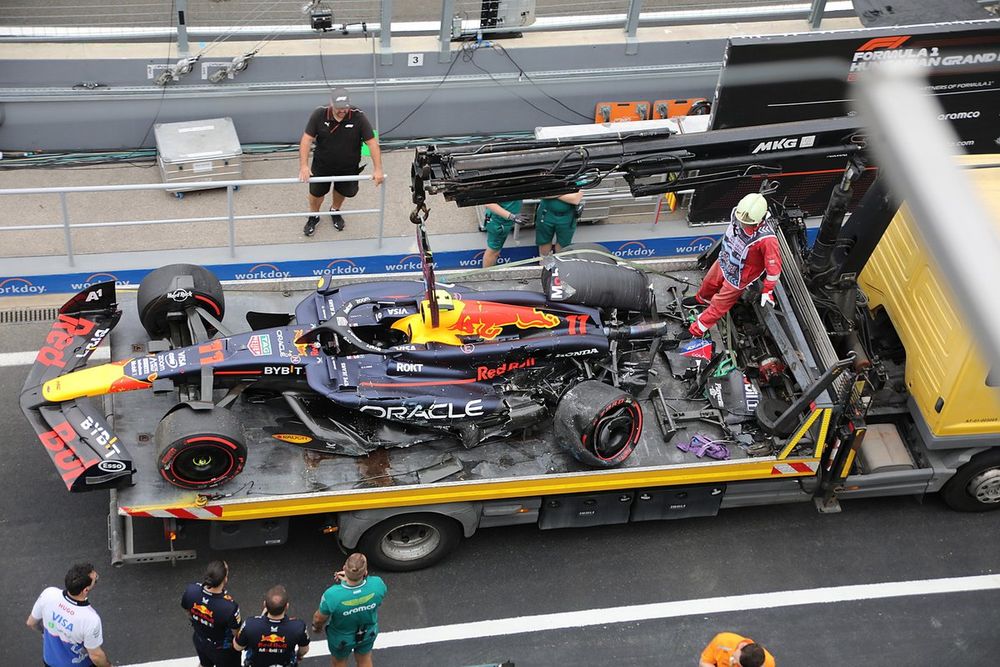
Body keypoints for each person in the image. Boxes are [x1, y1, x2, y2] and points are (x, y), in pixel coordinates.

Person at [682, 192, 782, 339]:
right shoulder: (738, 214)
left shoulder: (767, 240)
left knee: (719, 305)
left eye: (747, 223)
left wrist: (767, 290)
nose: (743, 224)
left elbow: (774, 268)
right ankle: (701, 299)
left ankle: (695, 330)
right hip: (724, 261)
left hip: (739, 277)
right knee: (709, 282)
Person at [298, 88, 384, 237]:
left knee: (345, 191)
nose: (342, 111)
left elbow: (372, 143)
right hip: (322, 165)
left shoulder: (359, 116)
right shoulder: (319, 114)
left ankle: (335, 210)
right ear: (331, 104)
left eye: (345, 107)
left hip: (348, 166)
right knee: (316, 193)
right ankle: (314, 215)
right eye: (338, 108)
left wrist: (378, 169)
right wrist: (304, 166)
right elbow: (306, 140)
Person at [26, 563, 112, 667]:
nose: (97, 578)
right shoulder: (90, 619)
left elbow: (31, 623)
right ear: (85, 590)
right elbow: (96, 656)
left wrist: (45, 633)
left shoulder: (48, 594)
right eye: (96, 579)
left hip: (50, 661)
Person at [312, 553, 387, 667]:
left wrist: (317, 628)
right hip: (368, 633)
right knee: (364, 660)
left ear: (344, 569)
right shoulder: (377, 585)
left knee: (339, 663)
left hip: (341, 639)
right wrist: (352, 579)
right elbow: (363, 587)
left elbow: (319, 618)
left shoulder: (332, 595)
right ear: (365, 572)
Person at [181, 560, 242, 667]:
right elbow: (236, 632)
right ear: (225, 579)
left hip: (200, 640)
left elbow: (187, 610)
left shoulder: (191, 590)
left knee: (204, 664)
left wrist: (198, 621)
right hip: (222, 650)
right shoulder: (229, 607)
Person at [234, 585, 310, 667]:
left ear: (264, 605)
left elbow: (238, 647)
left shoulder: (250, 624)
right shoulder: (298, 626)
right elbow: (304, 650)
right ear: (287, 606)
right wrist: (299, 656)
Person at [535, 191, 584, 256]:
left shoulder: (576, 180)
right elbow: (539, 193)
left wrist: (551, 192)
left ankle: (560, 263)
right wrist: (567, 193)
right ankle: (545, 263)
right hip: (546, 214)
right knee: (544, 241)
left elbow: (575, 199)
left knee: (563, 242)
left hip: (568, 216)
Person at [482, 201, 529, 267]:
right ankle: (487, 275)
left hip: (505, 220)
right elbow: (489, 203)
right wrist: (512, 217)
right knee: (493, 251)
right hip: (498, 222)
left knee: (494, 250)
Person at [699, 631, 775, 667]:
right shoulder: (722, 641)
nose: (733, 661)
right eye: (735, 657)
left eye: (737, 662)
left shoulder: (769, 663)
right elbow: (704, 663)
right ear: (742, 646)